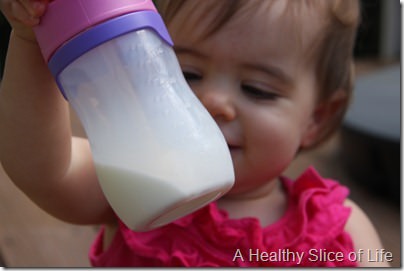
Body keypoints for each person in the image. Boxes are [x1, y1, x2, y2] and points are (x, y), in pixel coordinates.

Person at [0, 0, 390, 267]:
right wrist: (30, 40)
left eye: (257, 89)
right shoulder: (138, 186)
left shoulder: (341, 233)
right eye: (187, 74)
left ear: (316, 119)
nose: (214, 100)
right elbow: (43, 169)